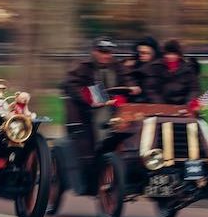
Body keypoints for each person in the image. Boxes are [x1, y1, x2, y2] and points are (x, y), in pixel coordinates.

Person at [62, 37, 123, 185]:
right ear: (94, 52)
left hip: (117, 112)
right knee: (102, 117)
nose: (106, 55)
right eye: (102, 52)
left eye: (109, 52)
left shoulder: (118, 68)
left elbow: (128, 82)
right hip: (88, 114)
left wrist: (133, 88)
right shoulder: (83, 68)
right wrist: (92, 99)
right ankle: (101, 153)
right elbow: (71, 85)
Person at [144, 38, 202, 108]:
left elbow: (194, 89)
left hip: (183, 105)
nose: (170, 56)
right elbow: (151, 89)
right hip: (160, 105)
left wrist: (189, 103)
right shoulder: (155, 67)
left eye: (174, 54)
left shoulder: (188, 69)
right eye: (168, 53)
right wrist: (160, 105)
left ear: (179, 55)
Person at [120, 36, 159, 102]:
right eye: (140, 52)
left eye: (146, 53)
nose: (142, 55)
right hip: (132, 102)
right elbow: (126, 78)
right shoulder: (129, 65)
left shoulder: (159, 67)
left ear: (154, 53)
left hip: (153, 104)